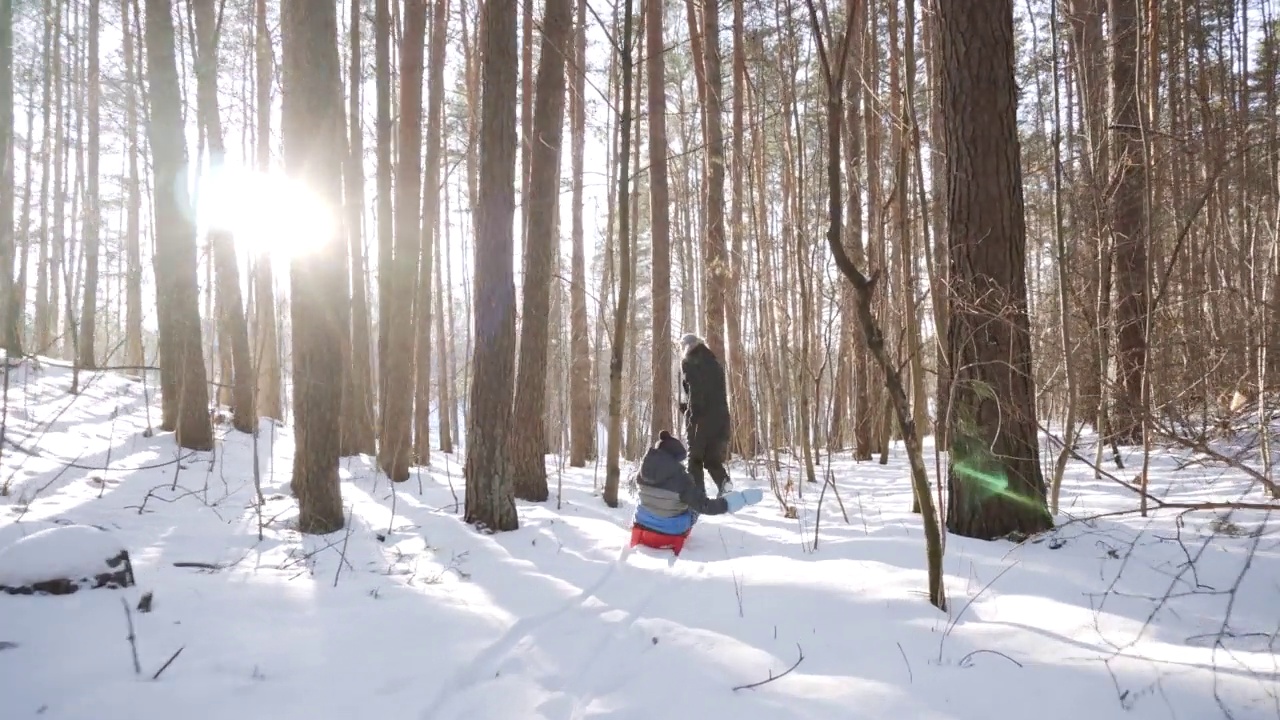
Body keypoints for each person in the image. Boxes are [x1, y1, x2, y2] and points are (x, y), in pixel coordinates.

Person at [634, 430, 763, 537]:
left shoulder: (641, 472)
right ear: (674, 459)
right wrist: (734, 501)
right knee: (693, 508)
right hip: (671, 529)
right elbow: (705, 506)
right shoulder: (681, 479)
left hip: (642, 521)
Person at [678, 333, 733, 497]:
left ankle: (697, 493)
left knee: (694, 459)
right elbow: (716, 393)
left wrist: (691, 413)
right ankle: (724, 484)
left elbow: (696, 391)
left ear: (687, 346)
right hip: (721, 419)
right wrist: (686, 407)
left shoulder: (689, 362)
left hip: (700, 419)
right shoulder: (715, 363)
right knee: (711, 459)